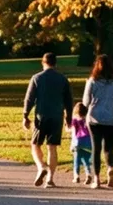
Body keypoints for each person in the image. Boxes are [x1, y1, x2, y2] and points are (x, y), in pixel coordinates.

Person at [21, 49, 74, 187]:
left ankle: (41, 166)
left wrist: (25, 115)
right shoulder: (63, 79)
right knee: (52, 148)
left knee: (35, 145)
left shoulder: (37, 78)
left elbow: (30, 98)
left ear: (42, 63)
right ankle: (50, 178)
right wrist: (69, 118)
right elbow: (69, 101)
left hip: (41, 116)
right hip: (57, 116)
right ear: (55, 64)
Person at [82, 53, 113, 188]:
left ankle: (96, 179)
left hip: (95, 119)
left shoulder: (92, 81)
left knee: (96, 149)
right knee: (109, 148)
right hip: (112, 119)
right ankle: (110, 169)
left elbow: (86, 102)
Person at [70, 100, 94, 184]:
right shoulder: (87, 120)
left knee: (76, 160)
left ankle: (76, 176)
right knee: (85, 159)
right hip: (87, 142)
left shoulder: (75, 120)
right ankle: (88, 174)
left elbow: (73, 131)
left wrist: (72, 144)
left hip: (77, 141)